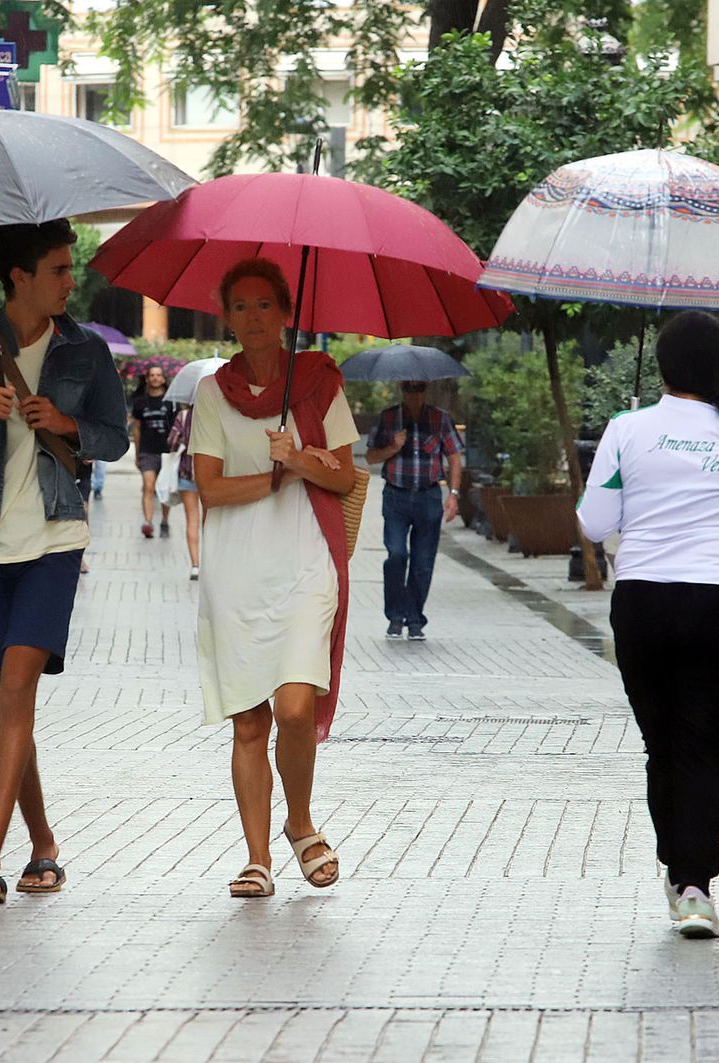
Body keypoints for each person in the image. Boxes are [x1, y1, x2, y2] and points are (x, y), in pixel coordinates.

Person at [0, 219, 129, 904]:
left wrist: (68, 426)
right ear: (20, 276)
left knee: (16, 693)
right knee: (12, 709)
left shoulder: (87, 354)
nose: (73, 281)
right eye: (61, 270)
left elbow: (114, 440)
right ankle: (44, 843)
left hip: (52, 543)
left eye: (72, 269)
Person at [579, 311, 719, 940]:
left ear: (666, 367)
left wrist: (624, 470)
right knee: (705, 751)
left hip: (643, 604)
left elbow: (595, 523)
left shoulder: (627, 429)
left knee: (662, 748)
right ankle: (695, 886)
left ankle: (677, 872)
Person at [189, 258, 359, 899]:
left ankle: (300, 820)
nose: (253, 318)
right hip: (235, 570)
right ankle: (258, 857)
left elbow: (344, 476)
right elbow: (209, 487)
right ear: (226, 317)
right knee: (249, 723)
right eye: (240, 307)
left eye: (265, 305)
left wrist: (303, 459)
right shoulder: (213, 391)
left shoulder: (319, 383)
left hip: (305, 562)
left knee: (294, 707)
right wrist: (276, 475)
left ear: (285, 312)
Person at [365, 381, 464, 640]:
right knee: (396, 554)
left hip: (428, 496)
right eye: (409, 389)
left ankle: (415, 618)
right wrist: (393, 447)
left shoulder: (440, 419)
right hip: (396, 495)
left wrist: (453, 494)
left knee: (422, 562)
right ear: (402, 390)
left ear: (425, 391)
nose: (414, 394)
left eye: (418, 389)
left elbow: (454, 456)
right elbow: (370, 456)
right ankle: (395, 616)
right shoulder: (388, 418)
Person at [131, 365, 176, 538]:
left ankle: (164, 520)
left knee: (164, 488)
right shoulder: (140, 403)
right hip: (147, 451)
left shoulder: (171, 402)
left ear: (164, 379)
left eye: (159, 375)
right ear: (147, 379)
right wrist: (137, 454)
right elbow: (136, 429)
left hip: (167, 452)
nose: (156, 378)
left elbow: (177, 427)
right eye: (152, 375)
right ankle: (148, 522)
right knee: (148, 487)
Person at [167, 403, 202, 580]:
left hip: (187, 473)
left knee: (192, 519)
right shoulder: (220, 413)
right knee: (211, 521)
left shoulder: (184, 416)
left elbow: (171, 442)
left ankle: (195, 565)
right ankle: (210, 562)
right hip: (213, 475)